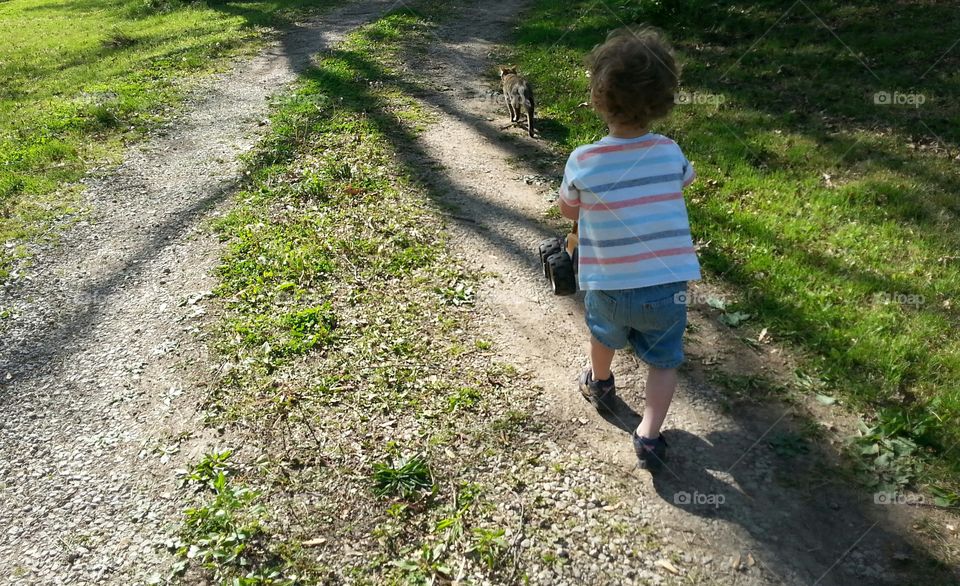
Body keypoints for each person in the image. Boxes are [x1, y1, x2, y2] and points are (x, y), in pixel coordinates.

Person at [557, 26, 701, 471]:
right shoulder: (670, 152)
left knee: (603, 336)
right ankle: (649, 436)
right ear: (663, 100)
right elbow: (684, 180)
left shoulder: (584, 159)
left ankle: (600, 382)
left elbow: (568, 209)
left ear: (599, 97)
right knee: (664, 361)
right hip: (666, 288)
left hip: (608, 282)